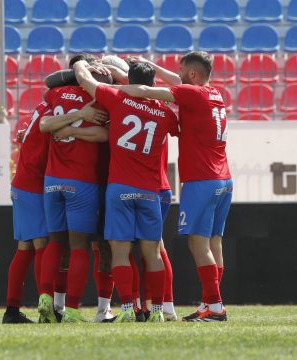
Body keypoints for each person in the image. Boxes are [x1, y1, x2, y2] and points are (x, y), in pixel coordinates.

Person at [120, 51, 232, 322]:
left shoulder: (192, 94)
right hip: (223, 179)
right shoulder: (215, 94)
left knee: (199, 244)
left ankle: (215, 306)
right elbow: (174, 81)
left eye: (182, 71)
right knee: (215, 242)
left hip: (201, 180)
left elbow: (148, 90)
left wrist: (110, 87)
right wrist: (151, 65)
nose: (177, 75)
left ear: (192, 74)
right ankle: (211, 303)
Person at [73, 60, 179, 322]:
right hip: (150, 190)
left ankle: (129, 309)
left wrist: (82, 63)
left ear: (127, 80)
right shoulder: (165, 113)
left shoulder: (117, 97)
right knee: (153, 253)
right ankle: (157, 312)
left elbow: (86, 81)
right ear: (153, 83)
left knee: (120, 253)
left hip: (119, 188)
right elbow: (179, 126)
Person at [37, 67, 112, 323]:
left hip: (52, 180)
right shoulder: (97, 97)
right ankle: (72, 309)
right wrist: (80, 118)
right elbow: (104, 134)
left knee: (55, 243)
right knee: (79, 247)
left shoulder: (55, 94)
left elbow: (44, 125)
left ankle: (46, 300)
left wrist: (69, 127)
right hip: (81, 181)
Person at [2, 100, 52, 324]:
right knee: (42, 245)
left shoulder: (43, 106)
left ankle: (11, 310)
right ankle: (45, 310)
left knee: (25, 248)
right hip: (33, 187)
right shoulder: (56, 112)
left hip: (22, 185)